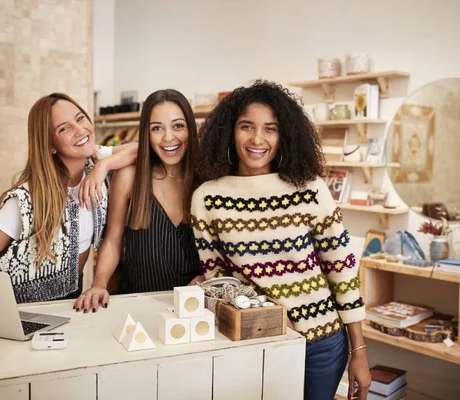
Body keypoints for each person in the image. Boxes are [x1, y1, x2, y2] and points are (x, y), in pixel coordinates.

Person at [191, 80, 371, 400]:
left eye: (270, 129)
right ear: (229, 132)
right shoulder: (208, 198)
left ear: (283, 135)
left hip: (322, 343)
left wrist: (359, 351)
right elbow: (218, 278)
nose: (257, 139)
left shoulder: (311, 189)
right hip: (253, 341)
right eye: (247, 126)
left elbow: (342, 272)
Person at [0, 93, 138, 303]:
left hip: (69, 302)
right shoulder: (27, 200)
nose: (80, 130)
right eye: (64, 128)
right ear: (51, 145)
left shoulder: (93, 160)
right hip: (24, 310)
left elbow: (142, 148)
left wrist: (103, 166)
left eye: (80, 118)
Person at [73, 89, 203, 313]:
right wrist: (99, 283)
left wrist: (207, 277)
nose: (168, 137)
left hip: (193, 312)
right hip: (137, 307)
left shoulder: (205, 178)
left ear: (191, 129)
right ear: (146, 133)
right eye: (157, 128)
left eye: (178, 126)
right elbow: (113, 242)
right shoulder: (130, 177)